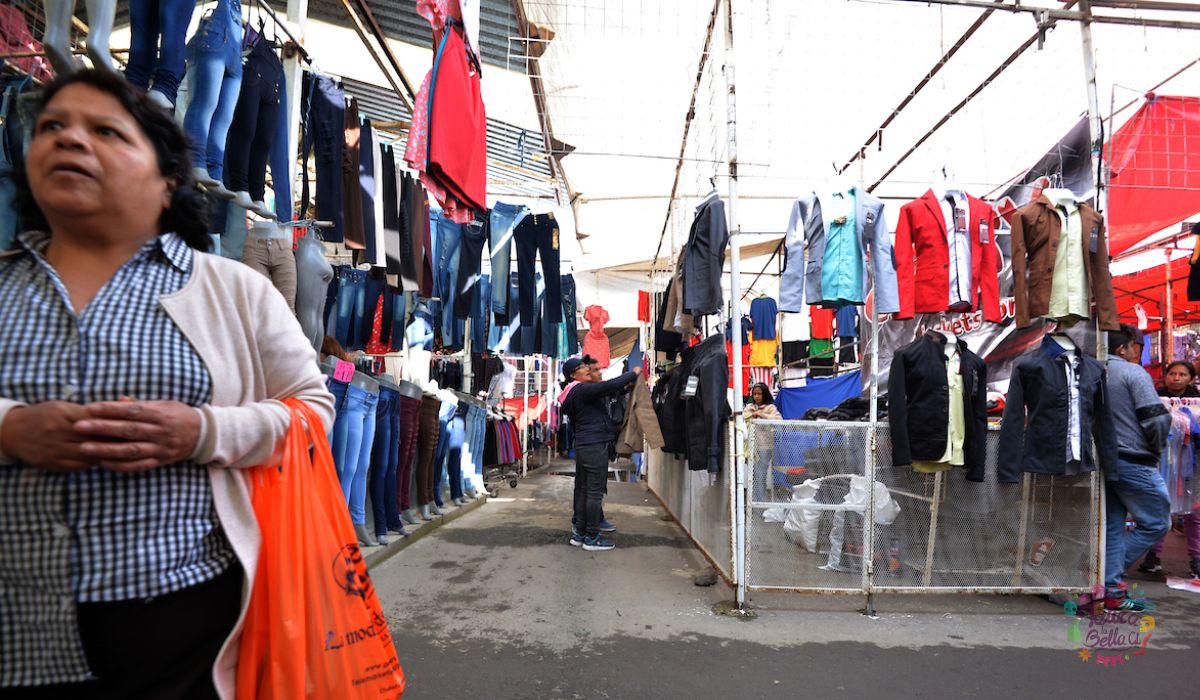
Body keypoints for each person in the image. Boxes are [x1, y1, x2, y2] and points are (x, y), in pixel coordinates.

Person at [0, 69, 334, 697]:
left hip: (179, 628)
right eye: (53, 128)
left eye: (105, 131)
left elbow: (313, 410)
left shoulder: (231, 290)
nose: (71, 140)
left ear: (167, 181)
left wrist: (203, 432)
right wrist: (10, 428)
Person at [1104, 324, 1172, 610]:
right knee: (1157, 522)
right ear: (1124, 348)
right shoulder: (1133, 372)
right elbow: (1156, 420)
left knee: (1113, 527)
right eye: (1138, 347)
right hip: (1134, 460)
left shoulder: (1095, 371)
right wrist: (1156, 448)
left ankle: (1110, 590)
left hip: (1105, 461)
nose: (1138, 354)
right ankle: (1106, 581)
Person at [559, 355, 639, 551]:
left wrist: (624, 387)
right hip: (595, 445)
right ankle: (592, 537)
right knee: (594, 493)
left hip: (585, 445)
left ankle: (579, 533)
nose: (587, 369)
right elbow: (607, 387)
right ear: (572, 375)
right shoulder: (581, 389)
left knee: (585, 491)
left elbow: (606, 391)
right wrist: (633, 373)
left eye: (586, 366)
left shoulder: (572, 393)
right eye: (581, 367)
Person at [1139, 360, 1200, 578]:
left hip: (1193, 466)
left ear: (1191, 378)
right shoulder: (1154, 398)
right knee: (1160, 508)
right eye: (1172, 373)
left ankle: (1196, 559)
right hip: (1161, 461)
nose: (1176, 378)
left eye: (1182, 374)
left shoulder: (1197, 401)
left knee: (1194, 512)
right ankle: (1153, 556)